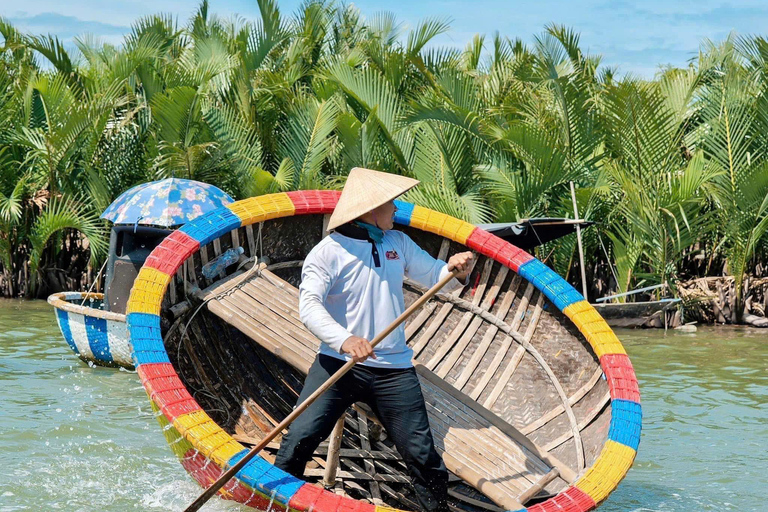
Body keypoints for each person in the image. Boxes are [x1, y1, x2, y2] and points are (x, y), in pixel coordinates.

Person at [274, 167, 473, 512]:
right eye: (391, 204)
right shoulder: (328, 252)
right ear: (369, 210)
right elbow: (309, 306)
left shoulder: (397, 242)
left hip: (393, 368)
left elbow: (434, 275)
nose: (397, 210)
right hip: (339, 363)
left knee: (423, 457)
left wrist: (457, 269)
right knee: (299, 438)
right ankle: (274, 503)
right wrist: (345, 339)